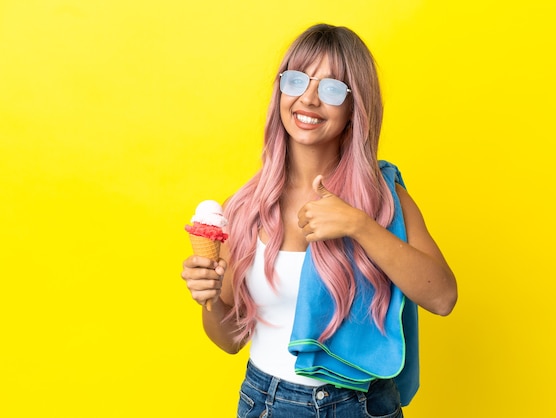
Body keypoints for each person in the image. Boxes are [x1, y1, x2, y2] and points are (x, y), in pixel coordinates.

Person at [181, 23, 457, 418]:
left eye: (331, 89)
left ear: (353, 108)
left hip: (362, 405)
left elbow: (443, 297)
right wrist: (208, 300)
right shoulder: (245, 207)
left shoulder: (384, 199)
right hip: (267, 403)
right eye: (296, 80)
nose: (308, 99)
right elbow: (229, 342)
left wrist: (359, 225)